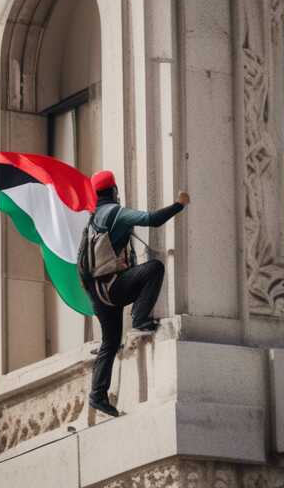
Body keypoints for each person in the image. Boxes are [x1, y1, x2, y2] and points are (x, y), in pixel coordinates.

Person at [85, 169, 190, 417]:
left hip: (97, 293)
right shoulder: (115, 213)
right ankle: (140, 319)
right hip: (114, 288)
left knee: (109, 343)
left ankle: (97, 395)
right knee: (155, 268)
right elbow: (152, 219)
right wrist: (179, 204)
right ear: (113, 191)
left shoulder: (92, 221)